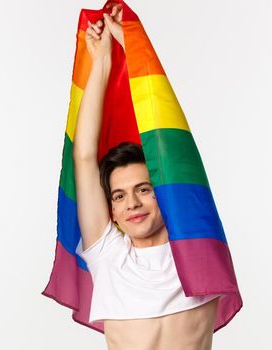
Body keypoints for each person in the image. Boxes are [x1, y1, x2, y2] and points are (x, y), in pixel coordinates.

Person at [73, 4, 221, 349]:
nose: (132, 203)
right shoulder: (109, 255)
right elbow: (83, 155)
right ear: (111, 208)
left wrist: (135, 47)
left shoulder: (198, 245)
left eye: (143, 189)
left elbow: (172, 145)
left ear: (165, 193)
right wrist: (104, 62)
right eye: (119, 196)